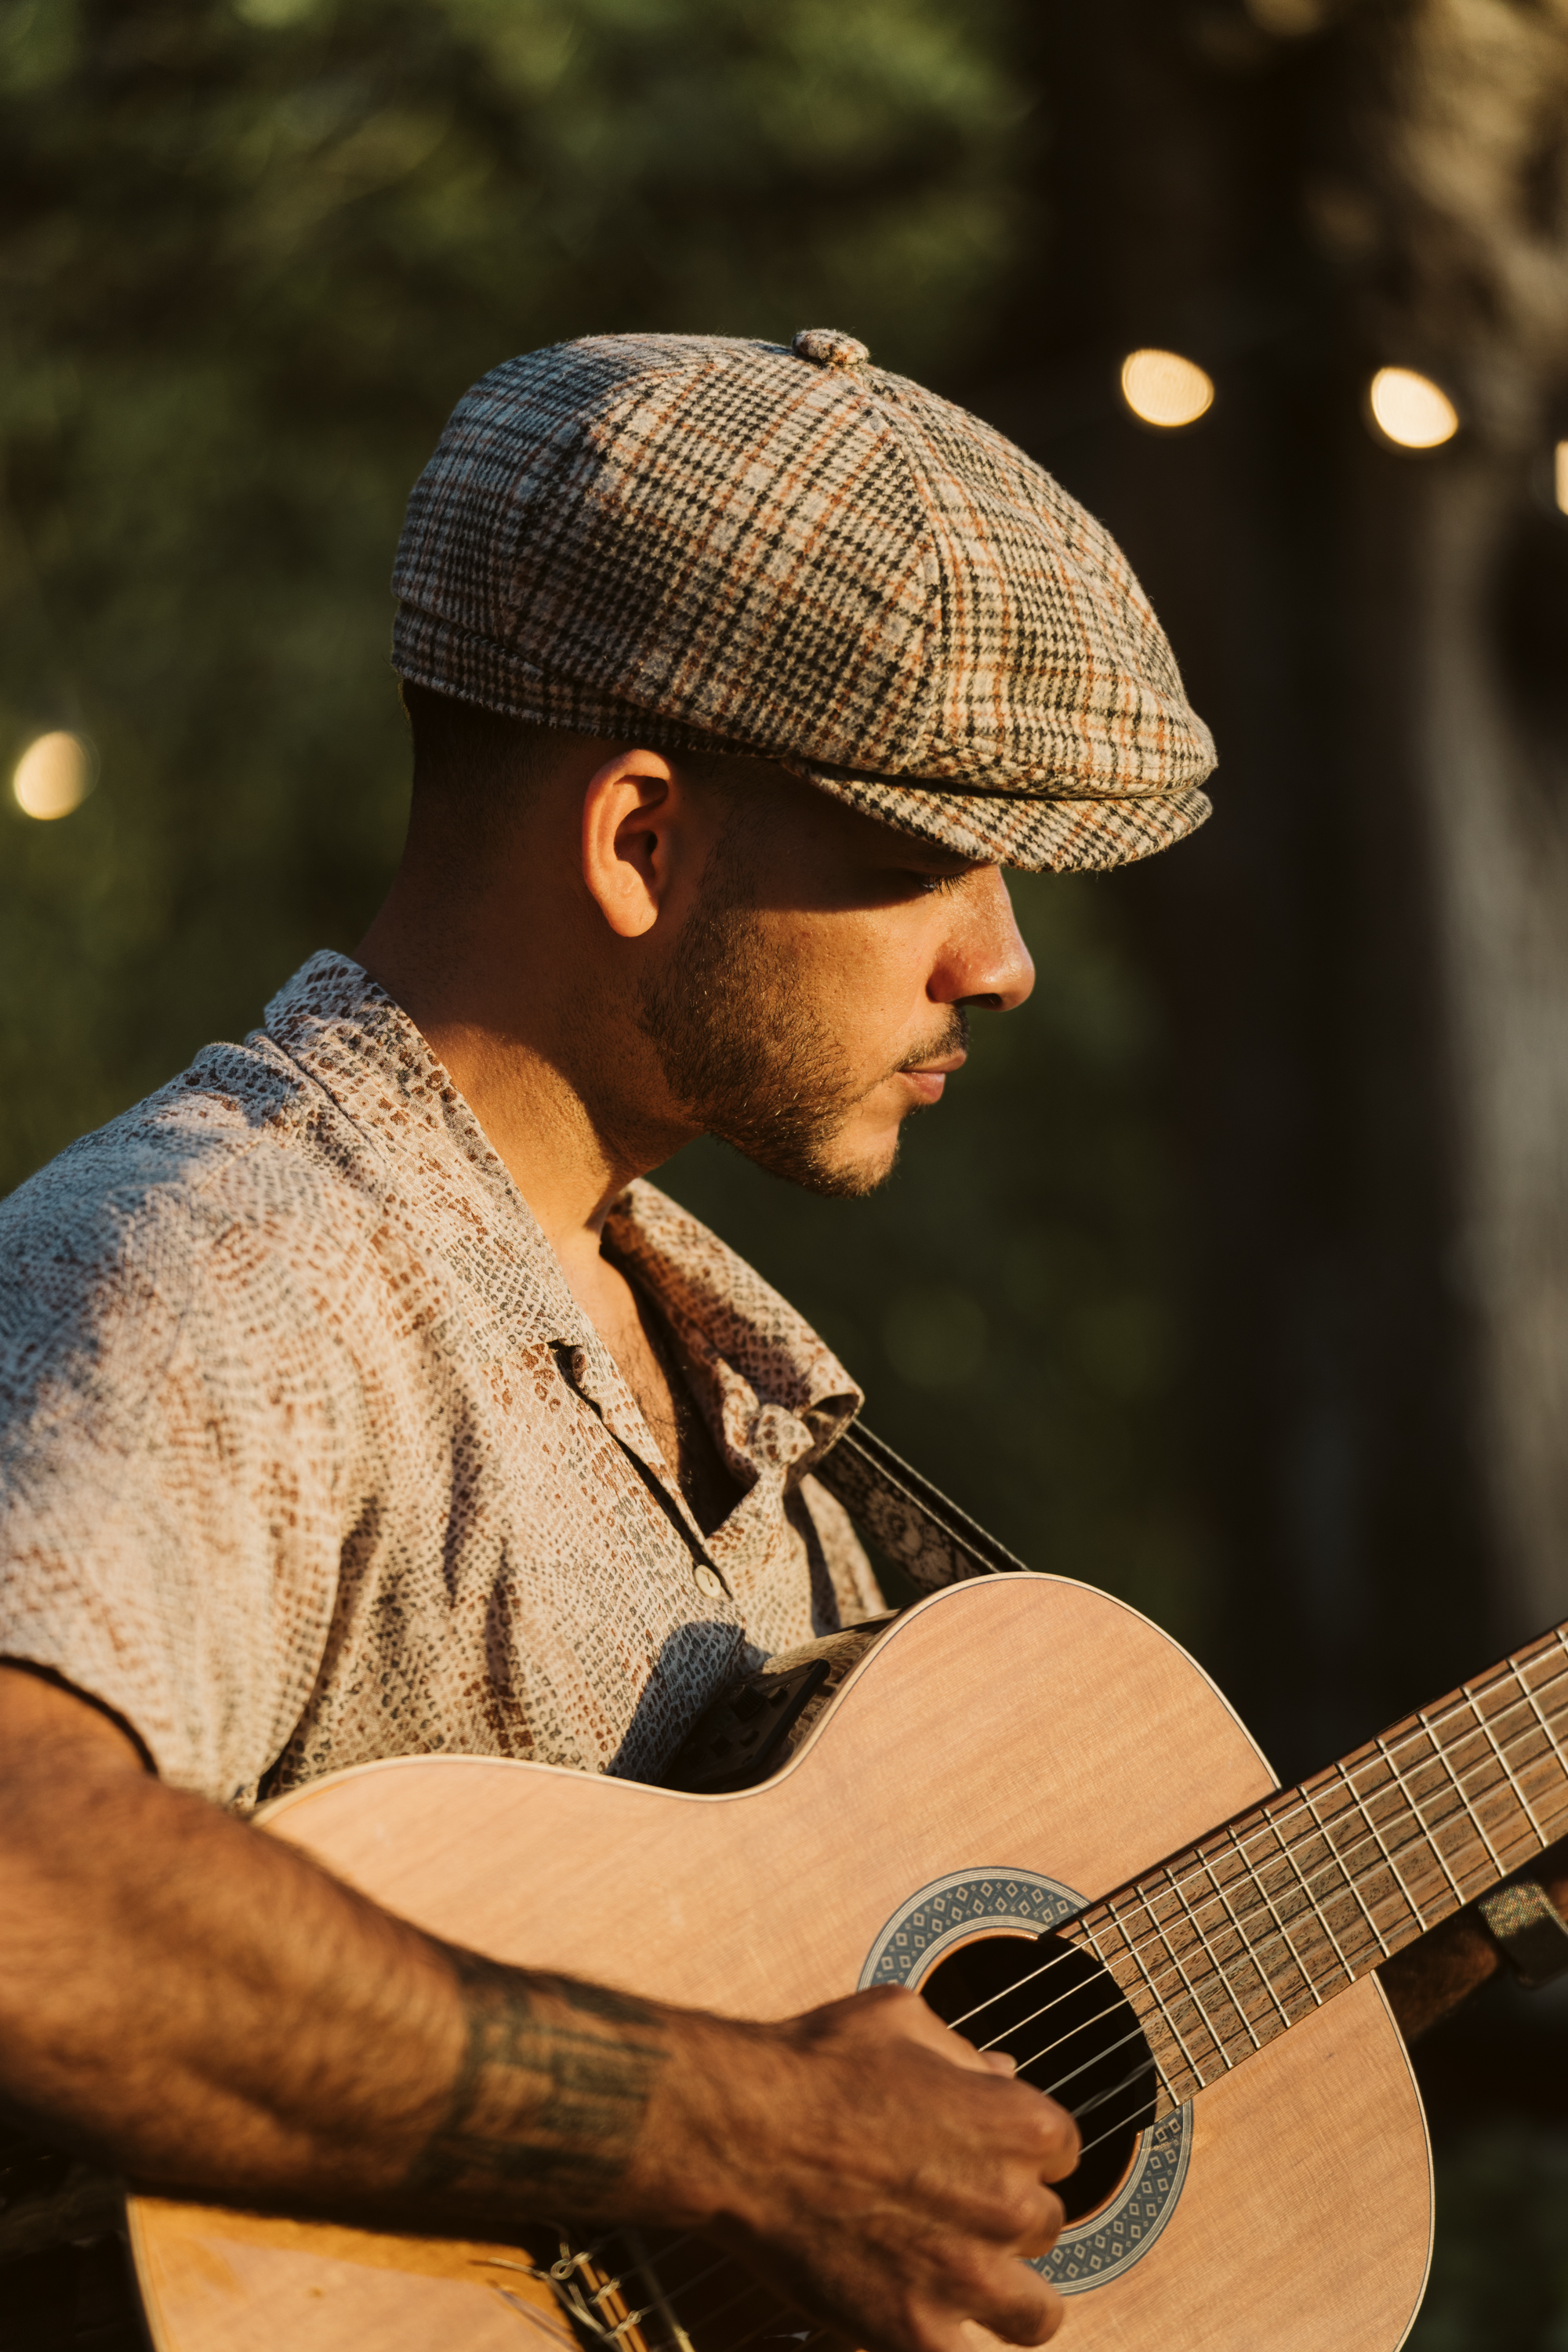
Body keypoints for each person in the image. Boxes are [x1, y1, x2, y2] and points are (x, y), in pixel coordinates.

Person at [0, 328, 1562, 2352]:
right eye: (923, 864)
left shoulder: (730, 1382)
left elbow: (845, 2105)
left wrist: (1323, 1953)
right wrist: (746, 2134)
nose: (1002, 963)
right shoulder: (228, 1271)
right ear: (641, 840)